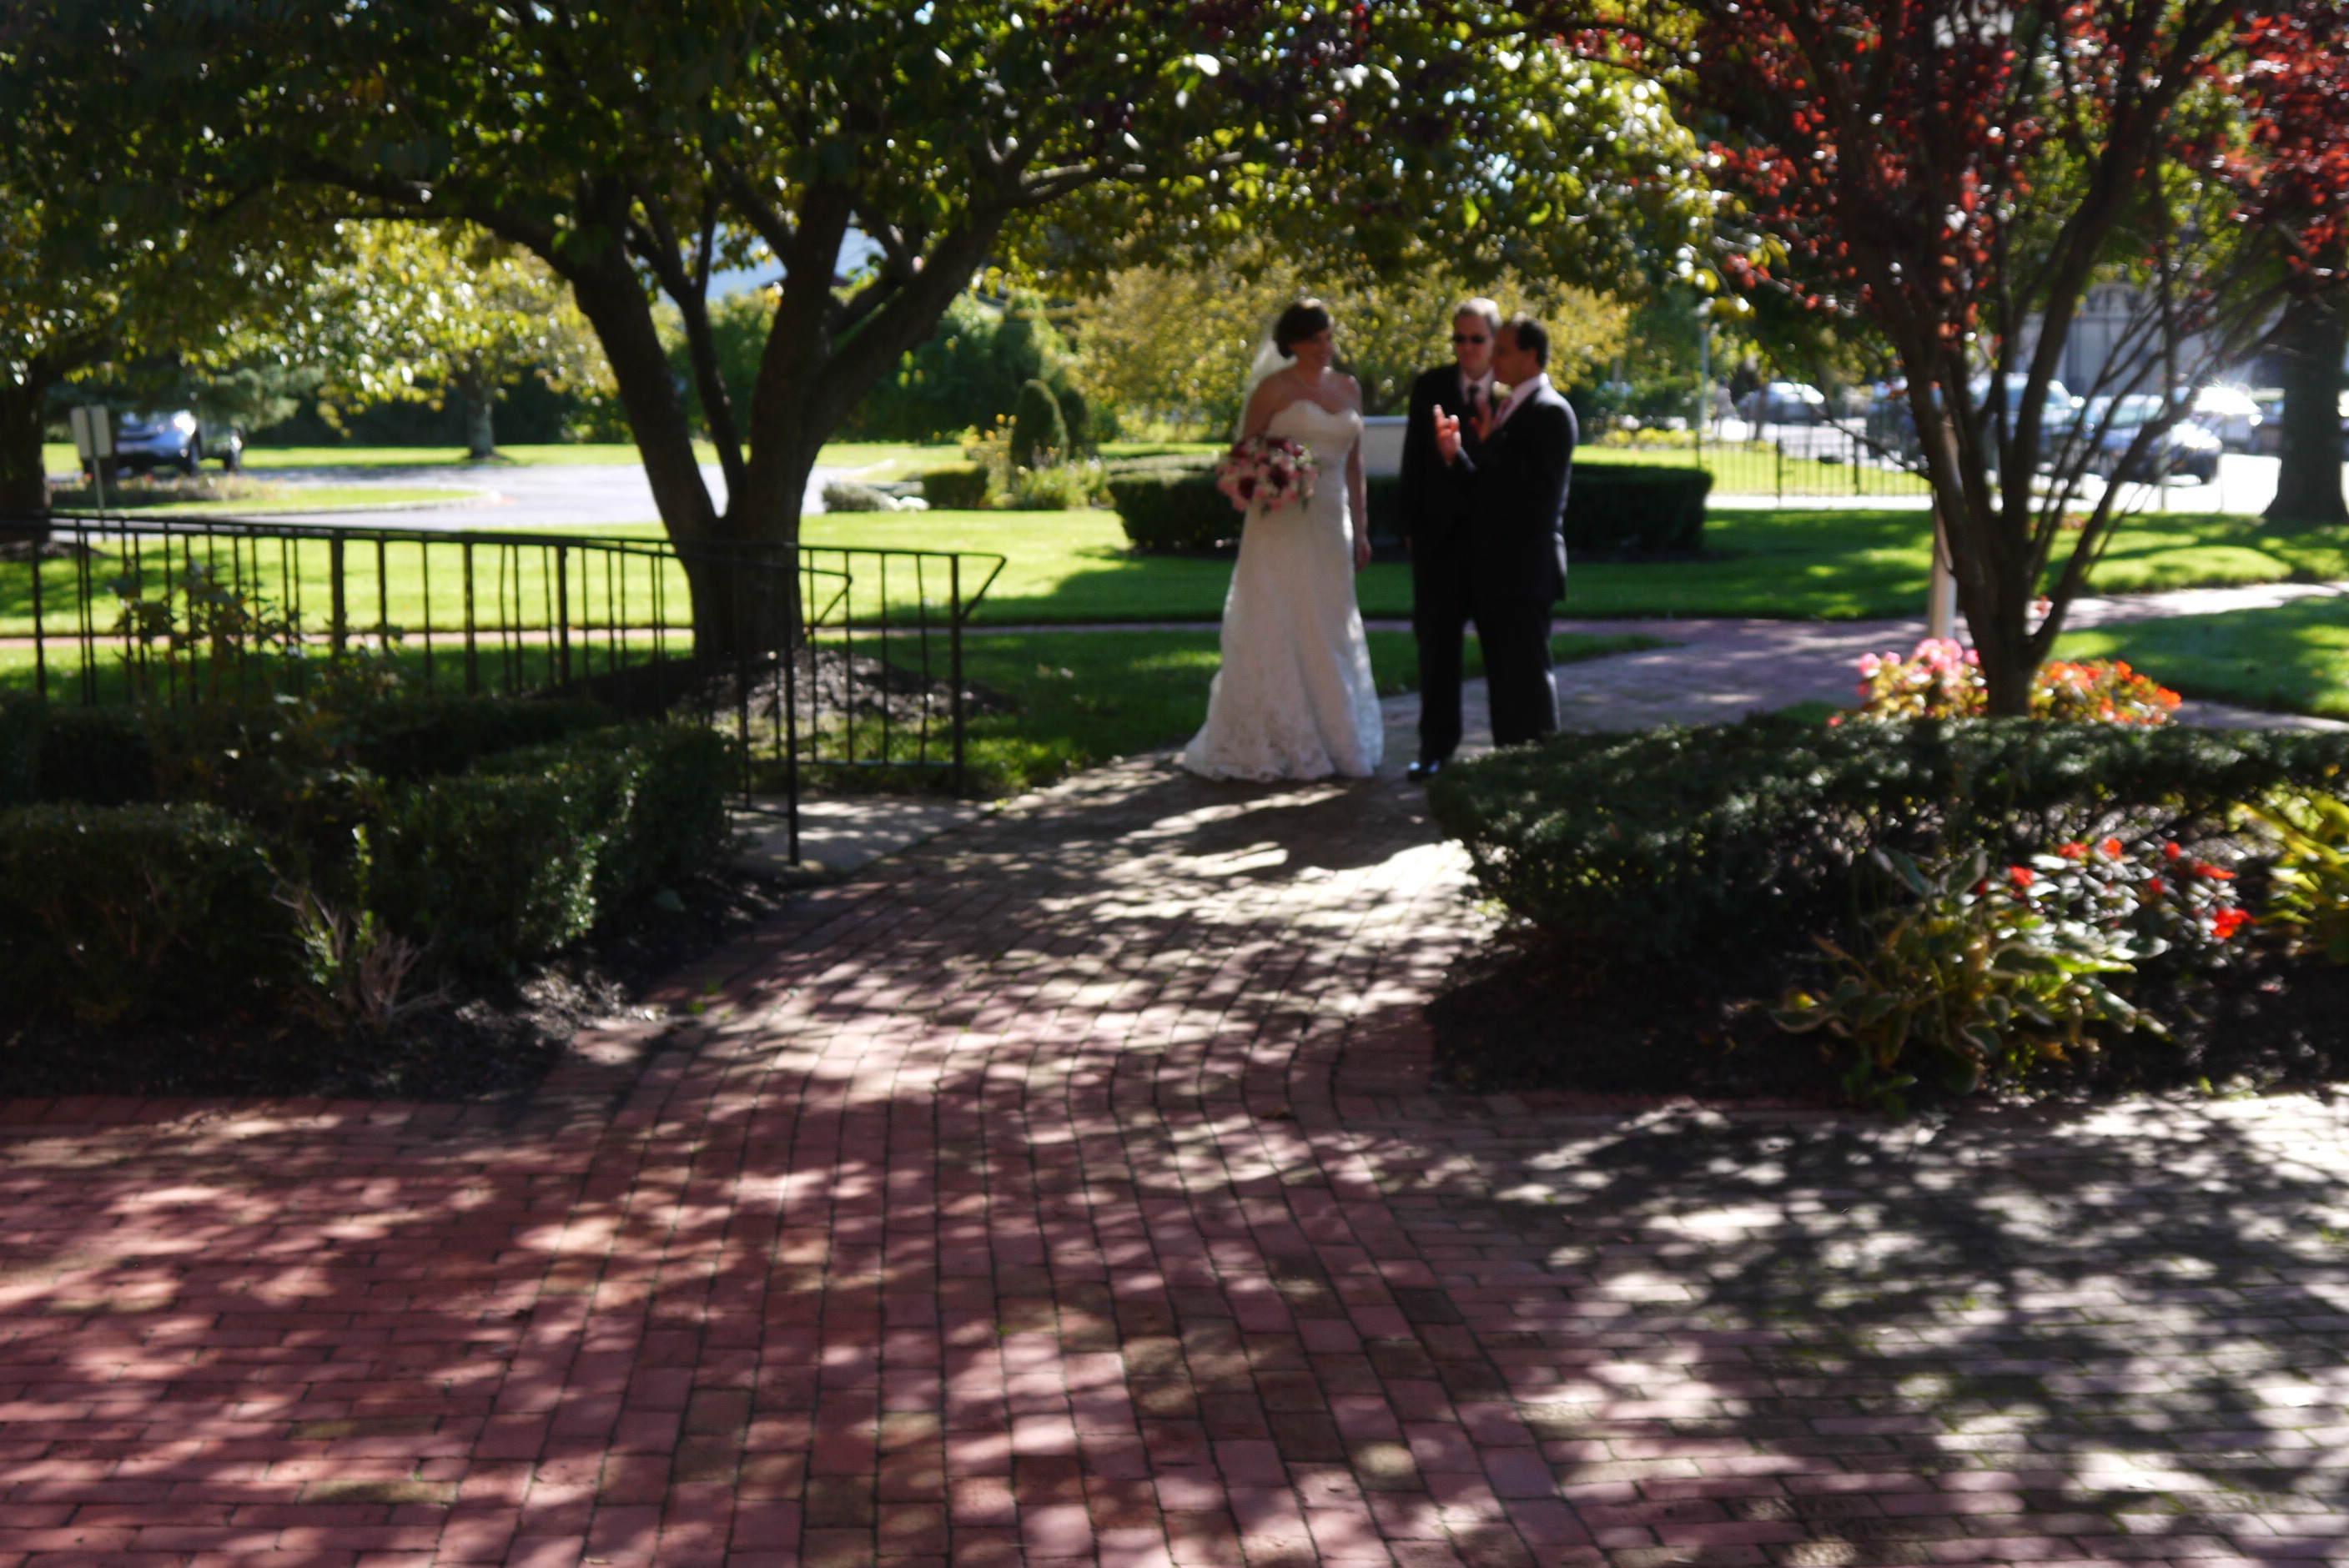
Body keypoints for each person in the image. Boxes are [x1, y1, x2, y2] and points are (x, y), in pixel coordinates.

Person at [1181, 299, 1384, 781]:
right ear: (1292, 343)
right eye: (1314, 340)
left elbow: (1355, 464)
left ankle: (1337, 736)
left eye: (1328, 338)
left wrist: (1362, 527)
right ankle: (1277, 736)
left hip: (1331, 520)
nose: (1324, 348)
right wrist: (1276, 476)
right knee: (1282, 617)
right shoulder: (1273, 389)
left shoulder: (1349, 388)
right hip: (1281, 521)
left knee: (1330, 622)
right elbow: (1240, 457)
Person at [1431, 314, 1575, 746]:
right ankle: (1507, 764)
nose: (1494, 361)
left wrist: (1492, 440)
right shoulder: (1509, 408)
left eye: (1504, 352)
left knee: (1527, 681)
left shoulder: (1551, 411)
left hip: (1524, 572)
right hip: (1497, 573)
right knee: (1504, 683)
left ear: (1532, 355)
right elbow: (1489, 491)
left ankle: (1537, 766)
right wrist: (1456, 457)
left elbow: (1540, 492)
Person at [1397, 299, 1500, 781]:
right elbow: (1413, 461)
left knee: (1503, 651)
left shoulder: (1512, 390)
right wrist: (1411, 527)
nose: (1467, 348)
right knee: (1436, 650)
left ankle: (1513, 749)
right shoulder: (1430, 386)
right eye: (1459, 338)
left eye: (1477, 339)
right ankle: (1435, 749)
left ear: (1495, 341)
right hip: (1437, 543)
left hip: (1493, 544)